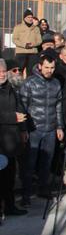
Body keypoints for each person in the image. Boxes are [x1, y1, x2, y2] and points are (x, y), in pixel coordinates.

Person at [19, 55, 64, 205]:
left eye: (52, 68)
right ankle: (26, 194)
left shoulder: (56, 83)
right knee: (30, 163)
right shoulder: (29, 83)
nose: (49, 71)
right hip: (34, 129)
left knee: (47, 161)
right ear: (39, 66)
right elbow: (22, 107)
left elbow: (58, 106)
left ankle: (43, 189)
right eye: (46, 67)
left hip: (50, 129)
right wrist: (23, 129)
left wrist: (59, 126)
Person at [0, 59, 28, 217]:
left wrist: (23, 129)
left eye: (4, 71)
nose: (2, 74)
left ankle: (10, 206)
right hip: (1, 140)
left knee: (9, 178)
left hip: (12, 140)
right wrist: (13, 118)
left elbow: (20, 108)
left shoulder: (11, 88)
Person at [13, 9, 42, 76]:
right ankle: (16, 85)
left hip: (33, 53)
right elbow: (14, 39)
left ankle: (30, 85)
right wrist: (24, 45)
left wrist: (33, 44)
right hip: (21, 53)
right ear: (24, 18)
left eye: (31, 17)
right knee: (18, 72)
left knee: (32, 72)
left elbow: (39, 40)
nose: (30, 19)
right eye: (28, 17)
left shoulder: (36, 28)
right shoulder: (18, 27)